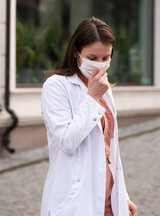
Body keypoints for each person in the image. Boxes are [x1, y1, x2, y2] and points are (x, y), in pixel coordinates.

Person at [41, 17, 137, 216]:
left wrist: (123, 195)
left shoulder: (106, 90)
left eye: (106, 58)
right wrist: (92, 97)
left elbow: (111, 151)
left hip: (109, 201)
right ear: (76, 52)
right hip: (77, 202)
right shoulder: (56, 86)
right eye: (92, 58)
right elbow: (67, 141)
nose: (100, 65)